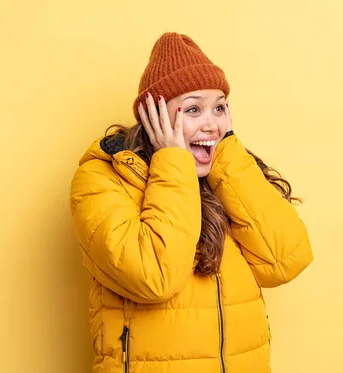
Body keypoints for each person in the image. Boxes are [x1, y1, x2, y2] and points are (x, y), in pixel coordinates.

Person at [70, 32, 313, 373]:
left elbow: (287, 260)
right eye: (194, 109)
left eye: (219, 108)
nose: (211, 125)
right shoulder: (103, 178)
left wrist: (226, 157)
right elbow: (154, 277)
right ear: (153, 116)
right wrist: (173, 160)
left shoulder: (227, 175)